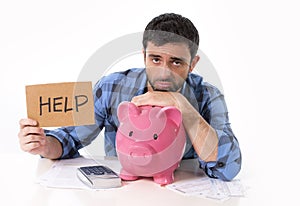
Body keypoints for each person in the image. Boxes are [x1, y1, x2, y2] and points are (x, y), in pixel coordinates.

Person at [18, 13, 241, 181]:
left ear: (193, 64)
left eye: (176, 62)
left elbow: (228, 167)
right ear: (143, 55)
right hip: (124, 193)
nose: (164, 72)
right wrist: (45, 145)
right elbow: (69, 139)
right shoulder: (111, 87)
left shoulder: (208, 96)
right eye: (155, 59)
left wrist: (184, 107)